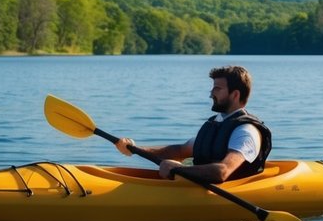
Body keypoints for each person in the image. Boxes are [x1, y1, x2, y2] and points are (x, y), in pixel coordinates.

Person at [114, 65, 272, 183]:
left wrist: (178, 169)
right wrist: (134, 149)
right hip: (198, 186)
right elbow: (180, 150)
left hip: (234, 190)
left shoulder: (246, 131)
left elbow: (222, 172)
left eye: (217, 89)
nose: (211, 94)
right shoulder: (216, 123)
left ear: (235, 94)